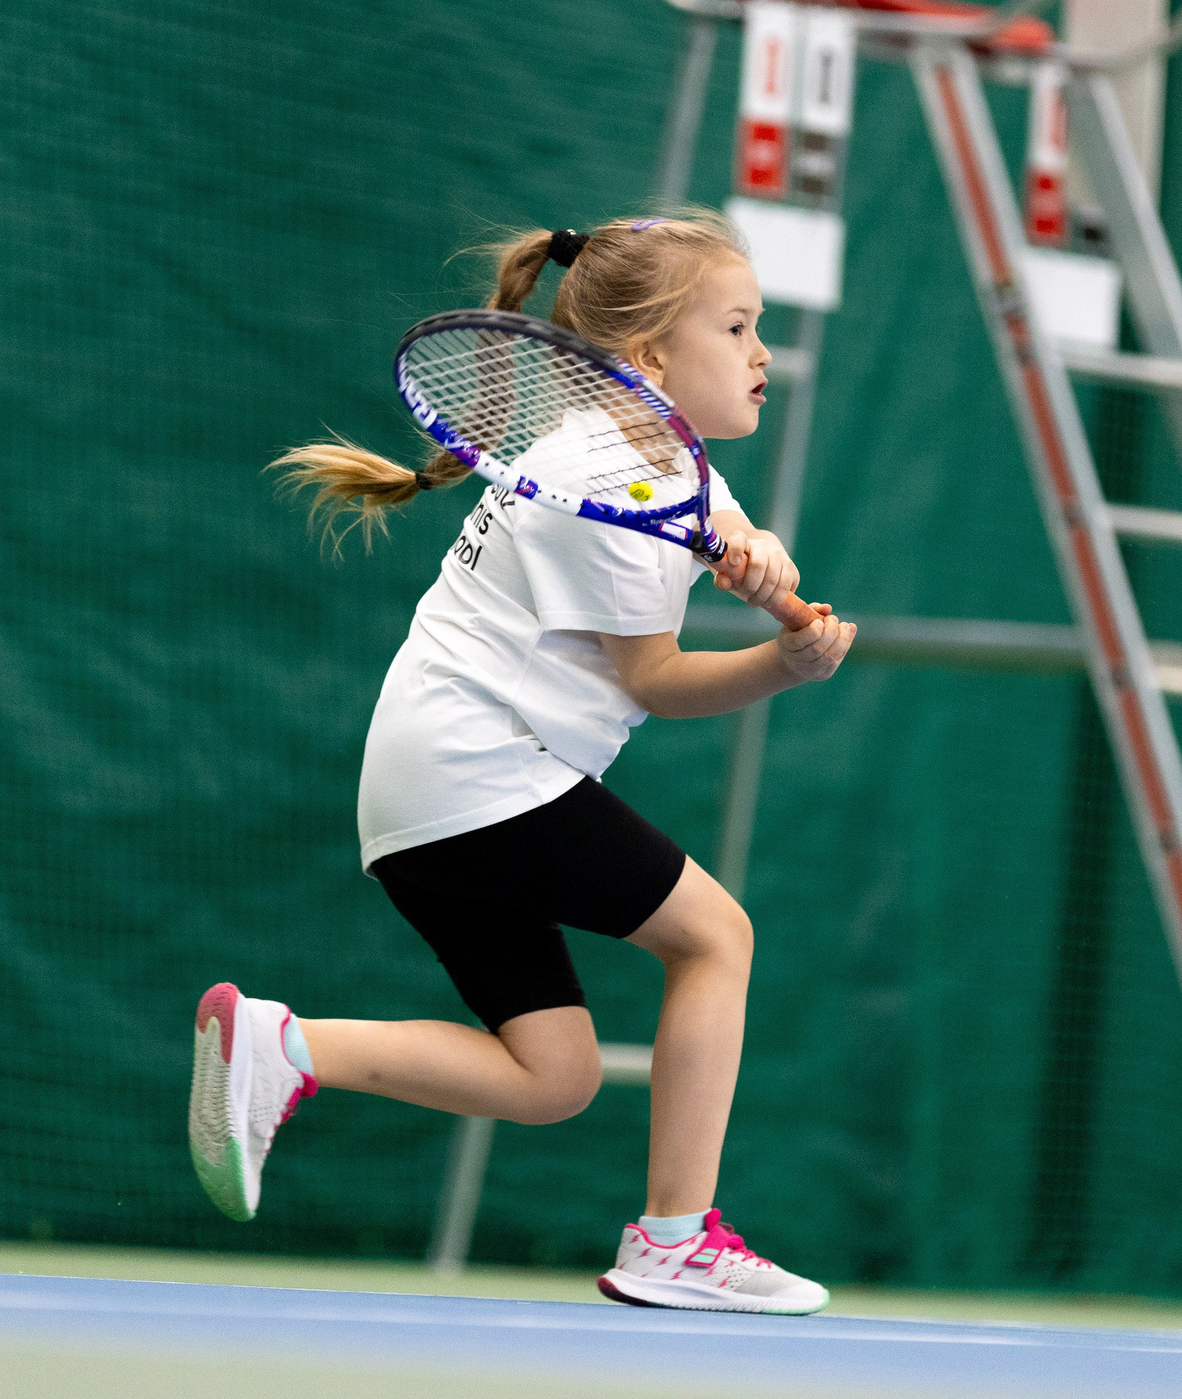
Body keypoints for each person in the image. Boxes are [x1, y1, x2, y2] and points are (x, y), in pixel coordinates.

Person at [189, 211, 855, 1314]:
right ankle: (676, 1241)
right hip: (481, 772)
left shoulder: (638, 448)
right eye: (737, 327)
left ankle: (283, 1046)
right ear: (649, 358)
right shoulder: (619, 488)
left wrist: (759, 552)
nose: (762, 353)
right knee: (715, 937)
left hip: (422, 791)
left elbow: (717, 516)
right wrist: (782, 665)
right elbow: (656, 681)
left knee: (553, 1078)